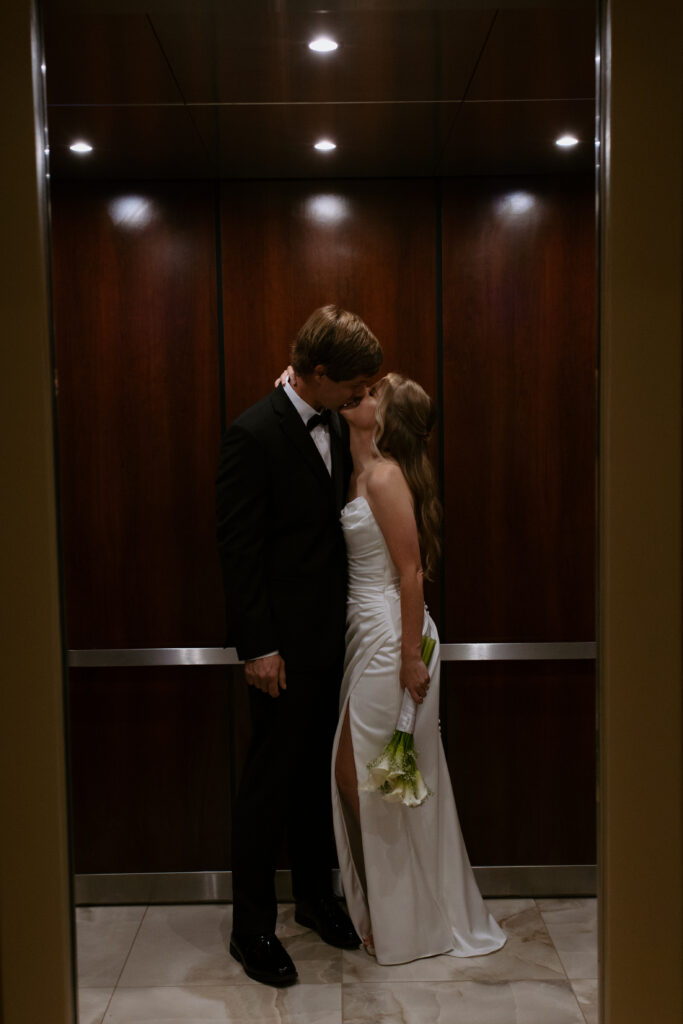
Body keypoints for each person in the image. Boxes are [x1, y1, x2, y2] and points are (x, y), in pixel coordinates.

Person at [216, 305, 383, 986]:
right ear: (317, 372)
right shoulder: (252, 434)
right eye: (353, 385)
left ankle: (316, 898)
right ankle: (251, 929)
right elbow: (238, 551)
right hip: (280, 650)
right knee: (269, 782)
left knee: (318, 775)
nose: (361, 395)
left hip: (336, 639)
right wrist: (258, 647)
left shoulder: (337, 420)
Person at [332, 373, 507, 964]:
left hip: (391, 639)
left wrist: (411, 657)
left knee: (373, 780)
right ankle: (400, 914)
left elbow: (410, 573)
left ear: (385, 420)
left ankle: (408, 922)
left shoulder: (384, 478)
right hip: (366, 633)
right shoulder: (364, 469)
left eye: (374, 393)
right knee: (368, 778)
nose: (362, 393)